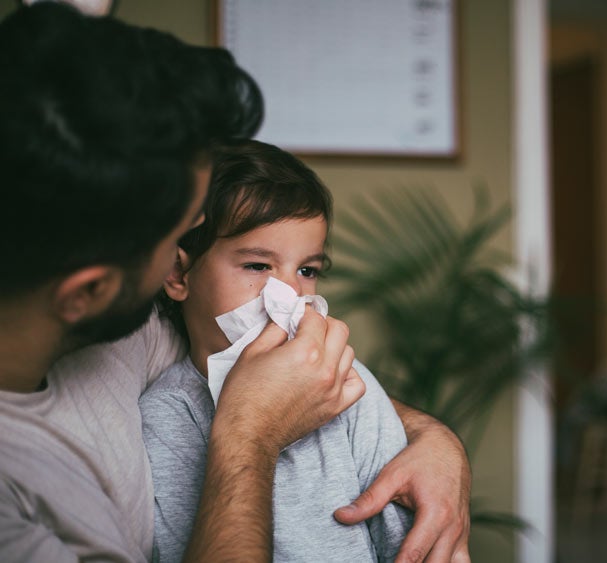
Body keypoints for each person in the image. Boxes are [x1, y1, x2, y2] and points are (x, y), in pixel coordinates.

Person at [0, 4, 470, 562]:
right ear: (89, 291)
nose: (286, 294)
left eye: (307, 269)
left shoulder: (125, 334)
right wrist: (249, 433)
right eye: (180, 235)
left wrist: (436, 441)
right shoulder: (15, 508)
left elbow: (319, 391)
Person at [141, 139, 413, 562]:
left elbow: (404, 542)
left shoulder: (347, 383)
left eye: (307, 270)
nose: (289, 293)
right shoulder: (167, 416)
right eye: (257, 266)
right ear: (178, 273)